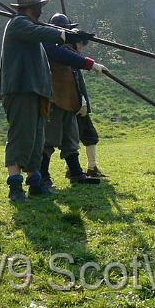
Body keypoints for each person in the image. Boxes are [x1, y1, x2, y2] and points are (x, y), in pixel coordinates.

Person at [0, 0, 73, 202]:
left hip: (36, 92)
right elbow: (40, 33)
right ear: (34, 7)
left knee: (36, 139)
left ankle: (35, 182)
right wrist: (62, 34)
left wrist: (67, 34)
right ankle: (15, 186)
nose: (42, 9)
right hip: (21, 89)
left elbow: (41, 32)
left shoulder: (30, 26)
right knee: (21, 137)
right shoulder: (18, 24)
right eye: (40, 6)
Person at [41, 13, 105, 187]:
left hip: (69, 100)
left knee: (70, 139)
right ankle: (43, 177)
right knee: (48, 140)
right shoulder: (48, 46)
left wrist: (81, 100)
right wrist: (90, 63)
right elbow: (64, 56)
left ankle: (76, 173)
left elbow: (75, 77)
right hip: (53, 100)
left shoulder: (67, 49)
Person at [72, 36, 107, 178]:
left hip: (73, 104)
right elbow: (72, 81)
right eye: (80, 43)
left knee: (72, 138)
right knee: (86, 136)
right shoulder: (68, 58)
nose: (81, 47)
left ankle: (78, 168)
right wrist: (82, 102)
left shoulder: (69, 57)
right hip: (76, 105)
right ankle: (90, 168)